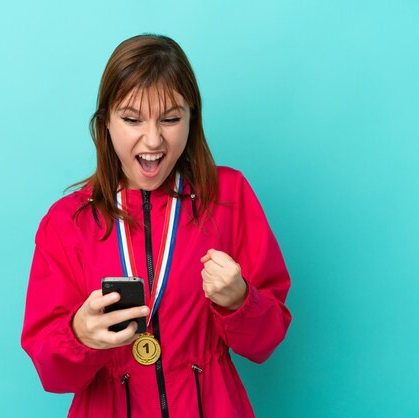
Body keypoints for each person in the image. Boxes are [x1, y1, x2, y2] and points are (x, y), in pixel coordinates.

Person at [21, 34, 291, 418]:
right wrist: (79, 336)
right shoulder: (66, 221)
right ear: (106, 122)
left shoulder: (229, 196)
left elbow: (268, 340)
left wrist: (240, 300)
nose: (153, 139)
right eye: (132, 119)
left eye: (170, 118)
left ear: (192, 118)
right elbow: (50, 371)